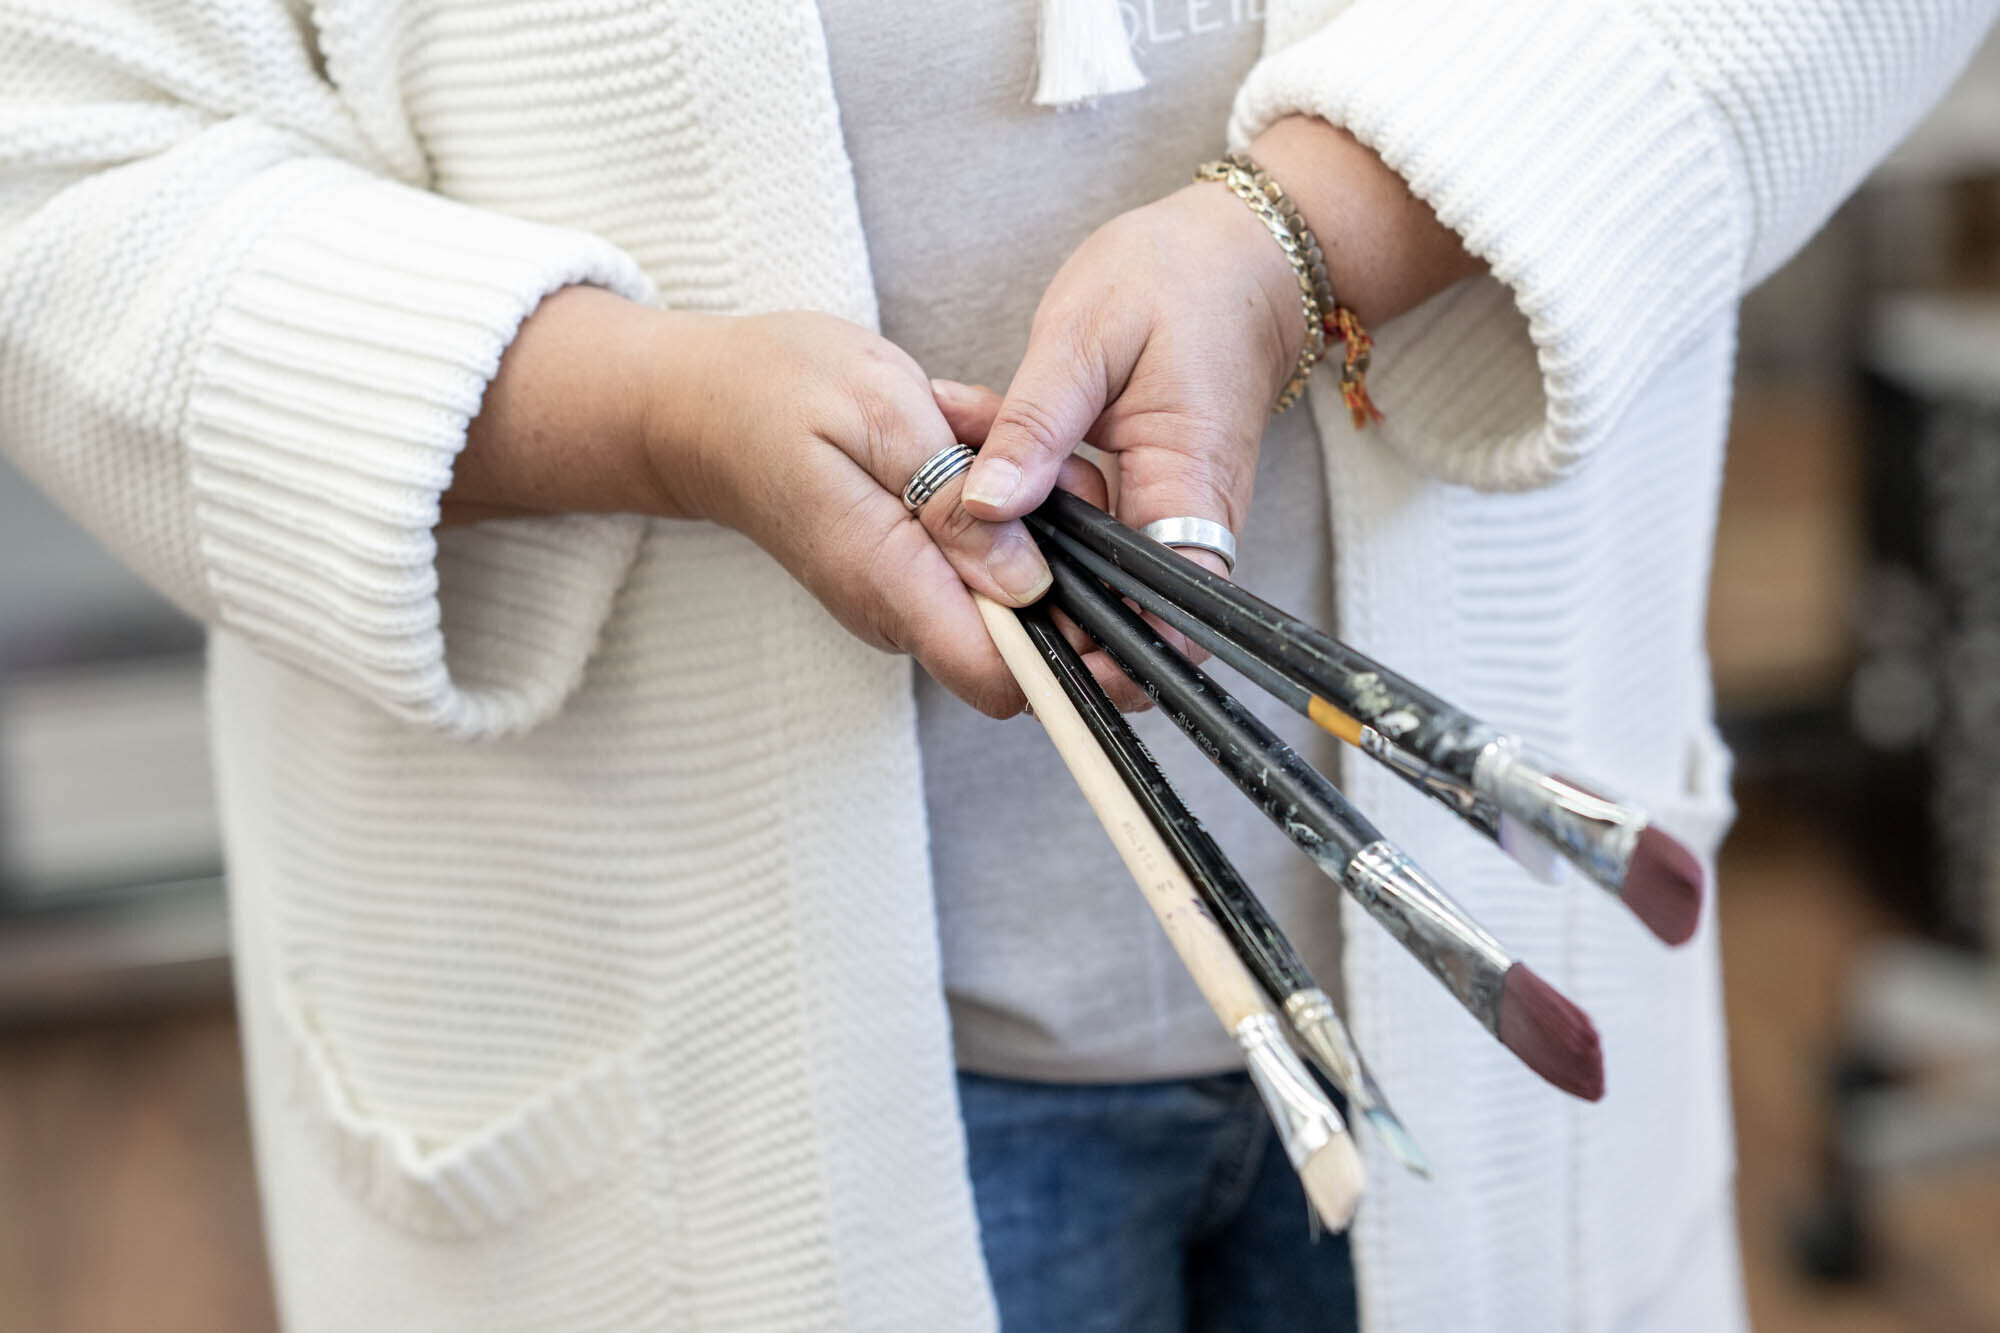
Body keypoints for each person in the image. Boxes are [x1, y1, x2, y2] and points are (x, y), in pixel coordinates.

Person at [1, 1, 1991, 1329]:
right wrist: (637, 401)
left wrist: (1306, 240)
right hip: (668, 1070)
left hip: (1485, 1055)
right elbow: (65, 153)